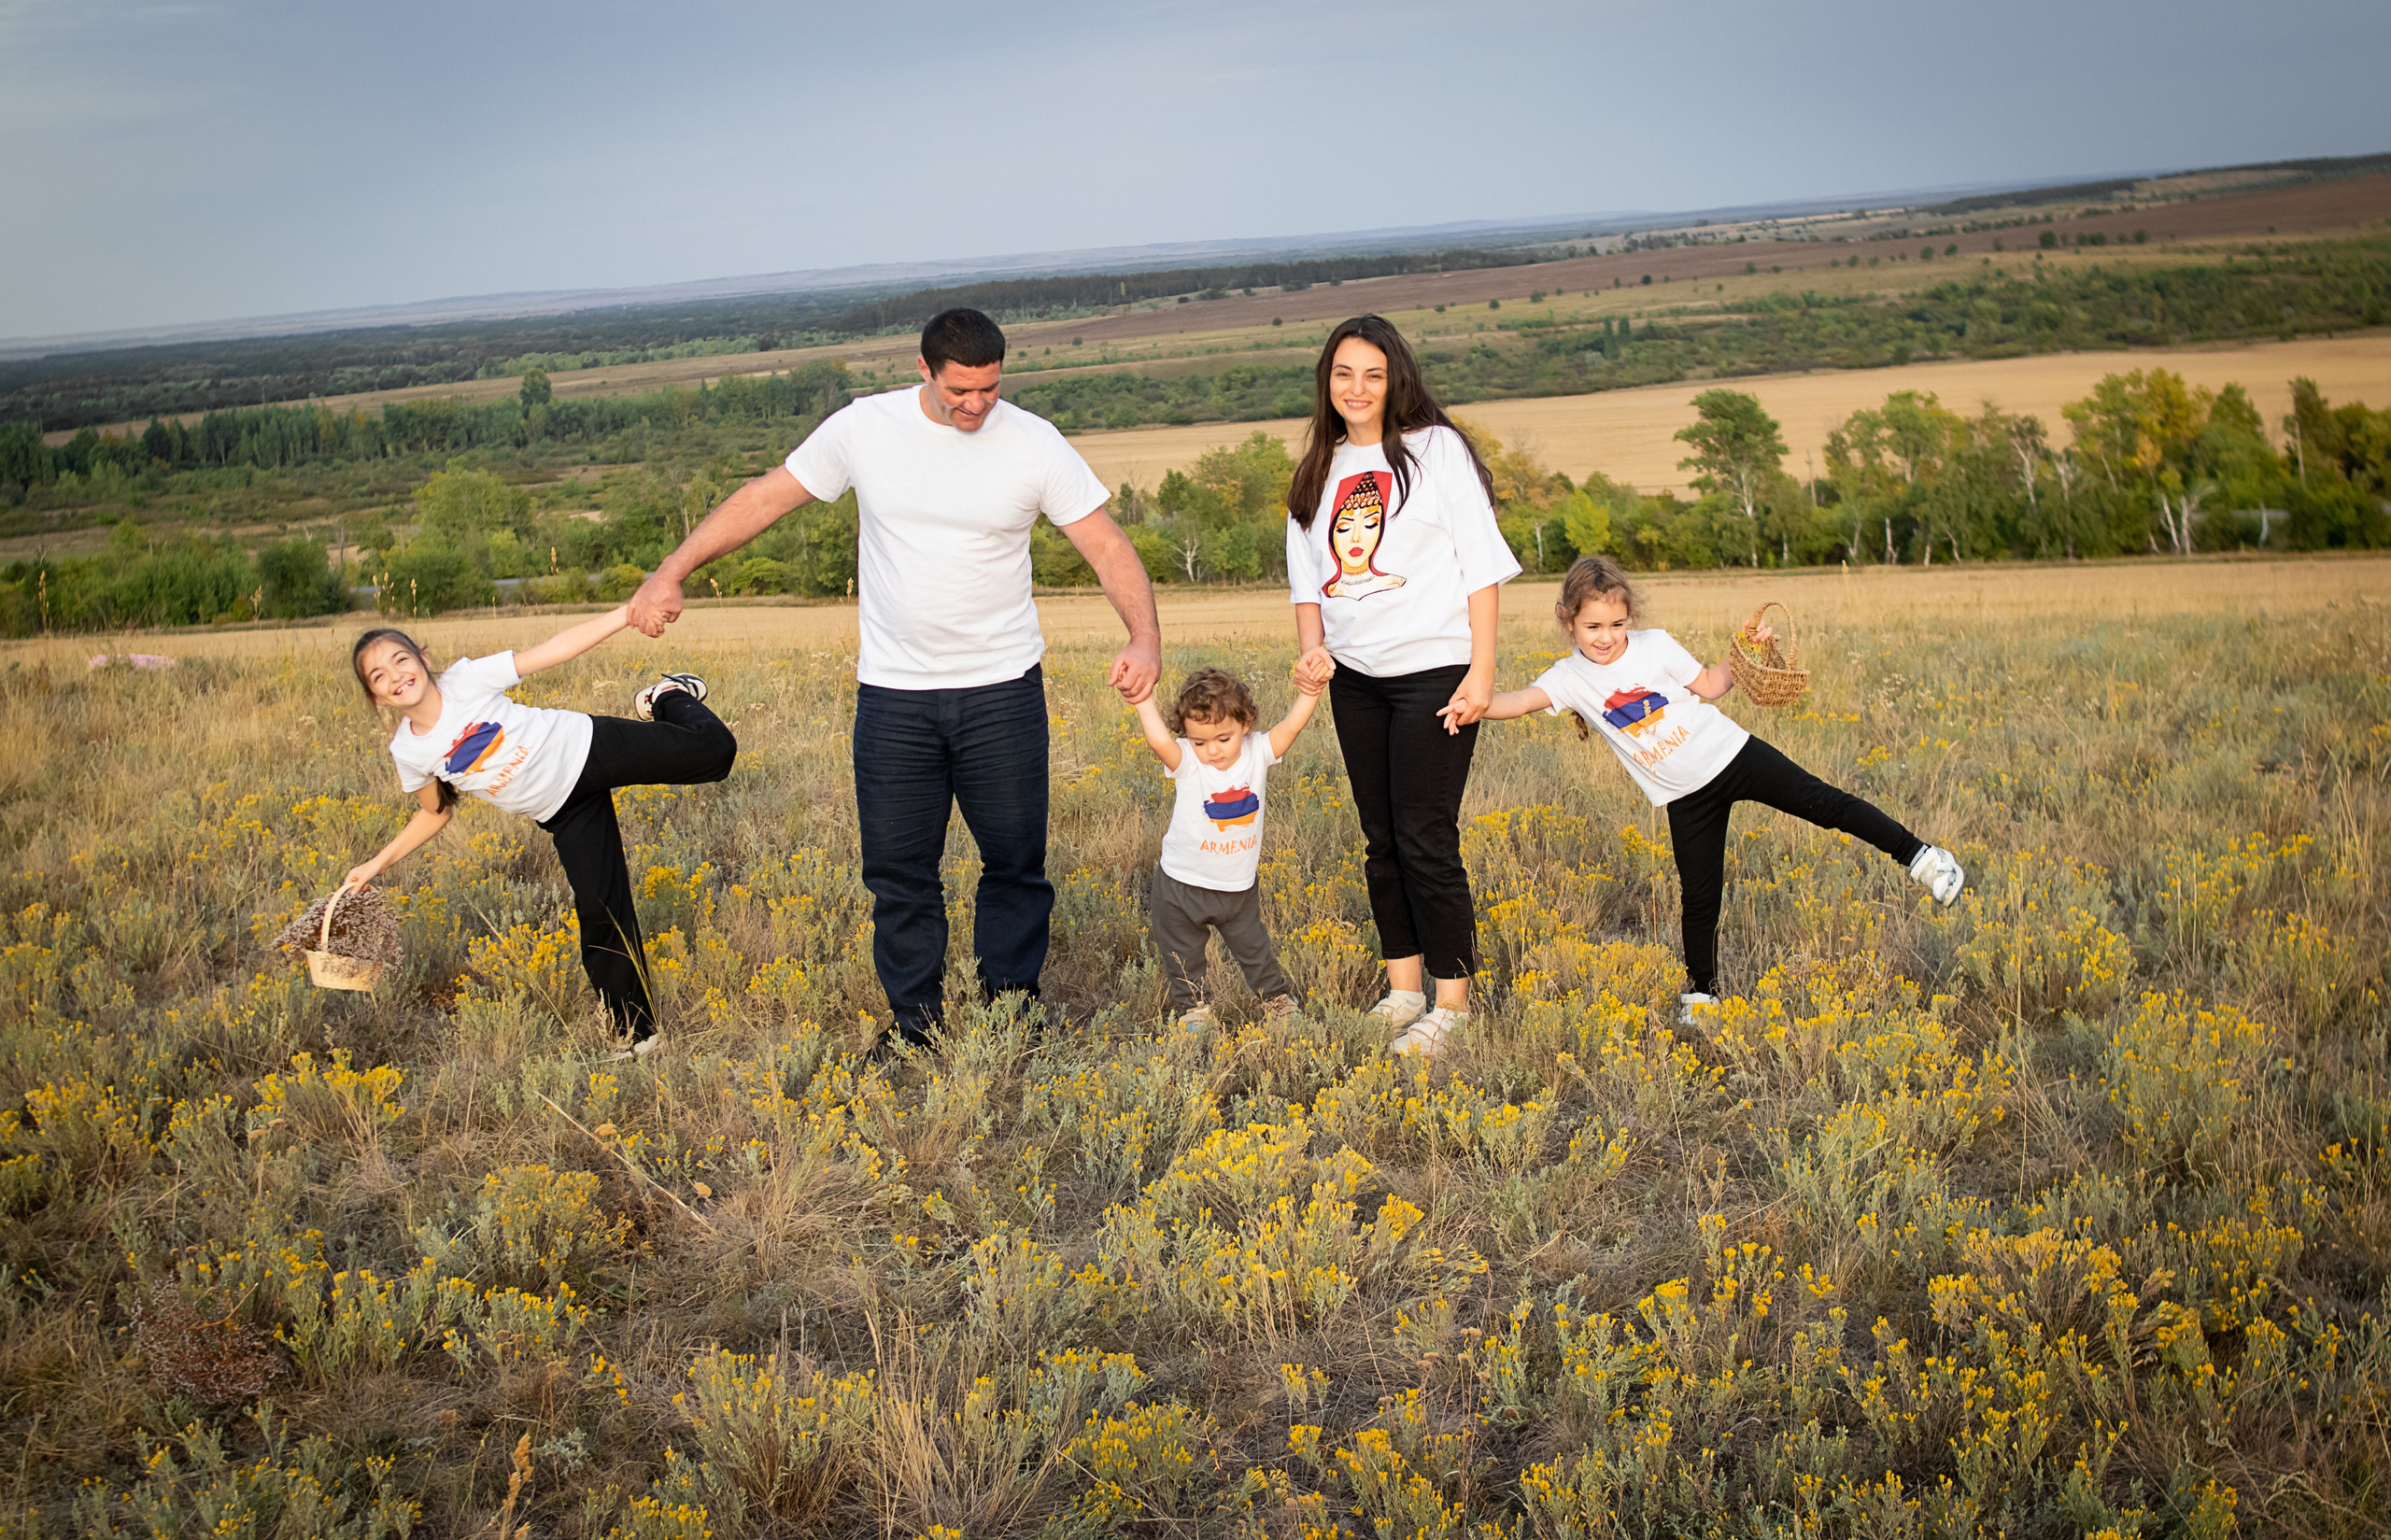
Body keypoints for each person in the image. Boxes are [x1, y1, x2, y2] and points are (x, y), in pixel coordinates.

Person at [627, 308, 1161, 1046]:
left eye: (990, 390)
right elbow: (765, 498)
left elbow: (1105, 544)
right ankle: (916, 1028)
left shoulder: (1034, 441)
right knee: (901, 872)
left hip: (1003, 692)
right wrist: (670, 571)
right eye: (959, 392)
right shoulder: (863, 429)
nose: (976, 406)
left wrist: (1144, 636)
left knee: (1015, 861)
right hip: (894, 700)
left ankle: (1013, 1013)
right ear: (923, 370)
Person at [1479, 557, 1964, 1022]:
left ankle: (1922, 857)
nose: (1607, 638)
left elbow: (1709, 685)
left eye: (1617, 625)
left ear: (1630, 619)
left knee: (1827, 804)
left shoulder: (1656, 645)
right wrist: (1474, 702)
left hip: (1734, 755)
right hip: (1685, 796)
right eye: (1593, 627)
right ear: (1569, 621)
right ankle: (1702, 993)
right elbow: (1520, 701)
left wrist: (1743, 655)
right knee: (1699, 893)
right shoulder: (1569, 678)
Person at [343, 609, 736, 1055]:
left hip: (587, 748)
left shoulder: (464, 681)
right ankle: (639, 1034)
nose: (395, 676)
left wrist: (626, 614)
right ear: (376, 697)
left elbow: (554, 650)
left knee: (715, 752)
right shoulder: (409, 750)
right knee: (601, 910)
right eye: (378, 675)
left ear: (422, 657)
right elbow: (434, 813)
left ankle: (666, 695)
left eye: (400, 660)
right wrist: (375, 864)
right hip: (564, 809)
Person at [1285, 315, 1521, 1058]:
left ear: (1396, 382)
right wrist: (1312, 656)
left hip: (1437, 674)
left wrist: (1482, 672)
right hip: (1357, 681)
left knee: (1426, 836)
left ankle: (1453, 1003)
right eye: (1344, 374)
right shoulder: (1316, 470)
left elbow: (1479, 564)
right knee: (1380, 839)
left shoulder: (1434, 450)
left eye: (1373, 375)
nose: (1357, 389)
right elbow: (1307, 588)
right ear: (1328, 381)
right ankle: (1405, 989)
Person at [1129, 663, 1329, 1031]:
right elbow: (1160, 742)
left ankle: (1277, 1002)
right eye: (1200, 741)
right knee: (1182, 956)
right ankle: (1194, 1011)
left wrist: (1311, 693)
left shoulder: (1259, 751)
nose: (1213, 751)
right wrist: (1144, 702)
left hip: (1237, 888)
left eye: (1224, 738)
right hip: (1180, 885)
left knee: (1254, 950)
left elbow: (1291, 727)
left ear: (1245, 724)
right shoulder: (1188, 761)